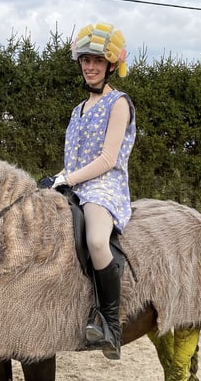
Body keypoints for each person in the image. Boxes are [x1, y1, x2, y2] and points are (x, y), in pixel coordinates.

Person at [38, 22, 135, 360]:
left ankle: (111, 324)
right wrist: (58, 178)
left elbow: (108, 158)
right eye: (85, 61)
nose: (90, 67)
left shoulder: (118, 104)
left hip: (104, 187)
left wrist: (72, 179)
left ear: (110, 65)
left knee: (95, 240)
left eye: (97, 61)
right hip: (75, 182)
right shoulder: (77, 111)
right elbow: (73, 158)